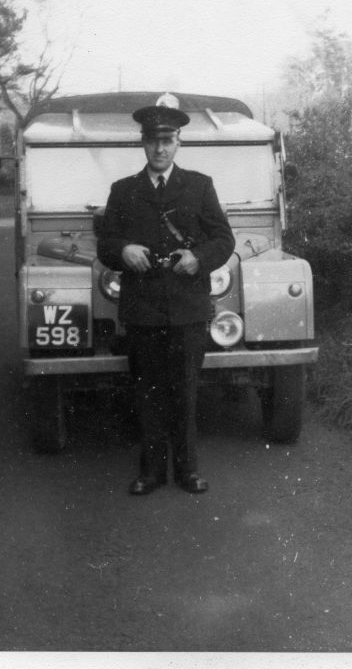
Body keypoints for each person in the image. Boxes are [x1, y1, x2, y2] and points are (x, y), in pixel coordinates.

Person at [97, 98, 235, 495]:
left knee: (186, 392)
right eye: (153, 141)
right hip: (142, 311)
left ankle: (188, 471)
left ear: (178, 143)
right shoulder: (123, 191)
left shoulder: (199, 185)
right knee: (147, 393)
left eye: (168, 140)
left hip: (188, 309)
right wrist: (123, 250)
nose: (160, 149)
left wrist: (198, 258)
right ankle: (151, 472)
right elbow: (106, 243)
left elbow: (223, 238)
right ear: (143, 143)